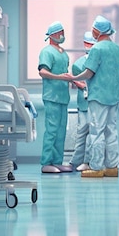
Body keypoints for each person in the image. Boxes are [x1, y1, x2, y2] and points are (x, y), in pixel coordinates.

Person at [71, 15, 119, 178]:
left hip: (98, 97)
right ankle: (112, 166)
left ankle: (96, 167)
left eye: (94, 29)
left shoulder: (97, 49)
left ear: (97, 31)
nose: (92, 31)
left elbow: (89, 73)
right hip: (114, 96)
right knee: (111, 131)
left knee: (96, 131)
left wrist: (73, 78)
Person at [38, 21, 75, 174]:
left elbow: (64, 73)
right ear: (52, 35)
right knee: (51, 130)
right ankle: (46, 162)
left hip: (62, 97)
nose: (62, 35)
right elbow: (43, 72)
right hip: (52, 97)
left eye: (63, 32)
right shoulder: (46, 52)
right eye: (60, 32)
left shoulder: (63, 53)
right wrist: (59, 77)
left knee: (61, 131)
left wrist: (71, 80)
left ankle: (57, 162)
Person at [69, 31, 96, 172]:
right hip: (84, 102)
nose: (90, 46)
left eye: (92, 44)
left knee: (93, 134)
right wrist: (81, 84)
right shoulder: (78, 64)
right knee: (82, 133)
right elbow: (75, 80)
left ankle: (88, 161)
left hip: (97, 101)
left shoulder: (99, 60)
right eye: (89, 44)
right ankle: (75, 161)